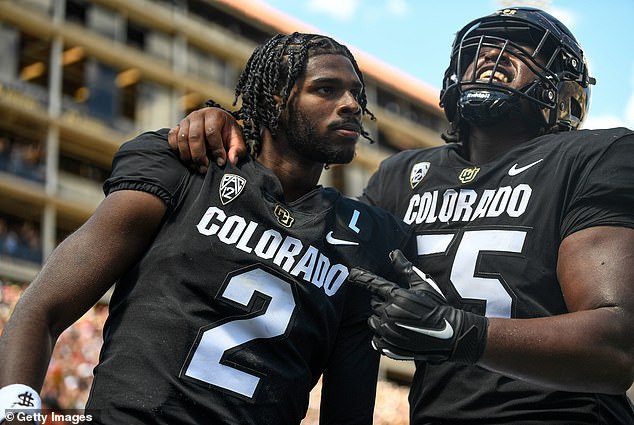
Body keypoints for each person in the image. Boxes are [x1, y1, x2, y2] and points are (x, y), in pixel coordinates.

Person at [166, 7, 634, 424]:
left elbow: (616, 346)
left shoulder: (595, 154)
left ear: (566, 90)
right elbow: (310, 258)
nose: (495, 55)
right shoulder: (402, 174)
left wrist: (462, 334)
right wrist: (235, 131)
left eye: (527, 50)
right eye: (482, 47)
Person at [0, 32, 416, 425]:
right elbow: (42, 307)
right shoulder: (189, 167)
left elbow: (347, 413)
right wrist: (15, 414)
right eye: (326, 89)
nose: (351, 105)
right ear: (276, 100)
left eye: (356, 95)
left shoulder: (365, 238)